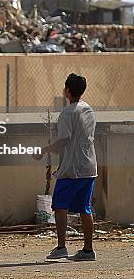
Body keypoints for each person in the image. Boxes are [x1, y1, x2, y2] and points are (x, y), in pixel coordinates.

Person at [33, 73, 97, 261]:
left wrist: (44, 150)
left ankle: (61, 247)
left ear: (67, 91)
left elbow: (64, 140)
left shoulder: (67, 113)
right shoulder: (89, 109)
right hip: (89, 166)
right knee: (85, 209)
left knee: (60, 206)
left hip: (71, 169)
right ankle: (88, 250)